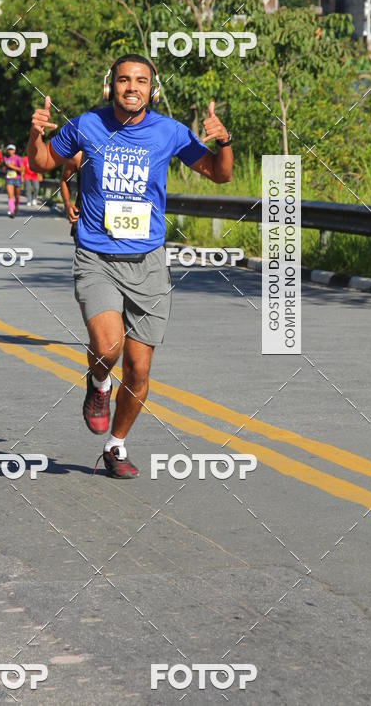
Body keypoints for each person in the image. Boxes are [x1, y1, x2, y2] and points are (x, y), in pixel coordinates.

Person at [27, 54, 233, 478]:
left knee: (139, 369)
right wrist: (34, 135)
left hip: (149, 263)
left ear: (151, 90)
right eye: (124, 80)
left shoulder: (169, 131)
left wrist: (223, 142)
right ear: (112, 86)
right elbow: (42, 163)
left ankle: (116, 445)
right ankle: (99, 384)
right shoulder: (87, 124)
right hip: (96, 256)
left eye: (141, 80)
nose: (132, 87)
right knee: (108, 347)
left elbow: (218, 175)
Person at [60, 152, 83, 240]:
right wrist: (67, 204)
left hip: (118, 222)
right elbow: (64, 179)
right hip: (83, 219)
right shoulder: (79, 156)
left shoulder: (126, 155)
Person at [4, 144, 25, 217]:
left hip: (17, 179)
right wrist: (5, 167)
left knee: (17, 195)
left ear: (14, 150)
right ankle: (11, 211)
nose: (10, 151)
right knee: (10, 195)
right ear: (7, 150)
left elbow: (22, 169)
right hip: (9, 179)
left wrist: (12, 166)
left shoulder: (18, 158)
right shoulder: (5, 158)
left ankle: (16, 206)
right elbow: (3, 167)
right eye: (9, 149)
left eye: (12, 149)